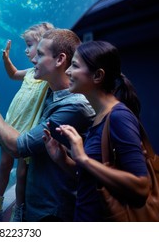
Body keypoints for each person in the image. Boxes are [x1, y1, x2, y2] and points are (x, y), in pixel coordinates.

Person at [0, 28, 95, 221]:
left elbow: (19, 147)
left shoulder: (74, 106)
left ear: (60, 60)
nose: (33, 60)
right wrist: (1, 129)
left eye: (39, 54)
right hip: (39, 207)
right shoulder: (48, 92)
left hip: (54, 213)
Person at [43, 41, 149, 221]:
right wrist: (63, 160)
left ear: (98, 75)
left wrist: (82, 158)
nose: (68, 71)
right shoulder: (99, 116)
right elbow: (91, 180)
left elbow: (141, 187)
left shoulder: (119, 117)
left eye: (75, 66)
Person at [0, 22, 54, 221]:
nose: (27, 50)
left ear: (44, 45)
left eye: (30, 45)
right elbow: (12, 74)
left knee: (22, 173)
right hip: (11, 124)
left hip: (27, 131)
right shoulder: (30, 72)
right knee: (3, 164)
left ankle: (19, 209)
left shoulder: (47, 76)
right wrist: (5, 59)